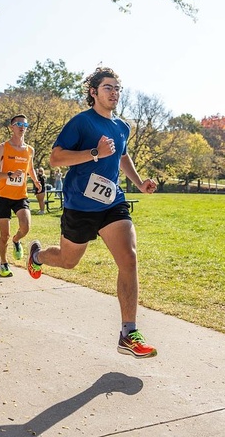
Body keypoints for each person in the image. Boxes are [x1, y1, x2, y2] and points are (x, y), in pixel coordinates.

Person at [26, 67, 158, 359]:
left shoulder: (122, 127)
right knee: (68, 261)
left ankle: (128, 333)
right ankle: (38, 256)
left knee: (129, 258)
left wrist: (139, 183)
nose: (114, 93)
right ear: (93, 92)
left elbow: (122, 155)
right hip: (80, 205)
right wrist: (95, 153)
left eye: (118, 88)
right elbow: (56, 158)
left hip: (112, 202)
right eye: (108, 87)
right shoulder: (81, 122)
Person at [0, 115, 41, 277]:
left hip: (20, 196)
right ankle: (4, 263)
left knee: (25, 227)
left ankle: (16, 240)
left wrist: (36, 181)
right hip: (3, 196)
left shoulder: (30, 150)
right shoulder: (2, 147)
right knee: (4, 235)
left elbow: (30, 168)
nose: (22, 127)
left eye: (25, 124)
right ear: (11, 127)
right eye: (18, 124)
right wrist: (9, 174)